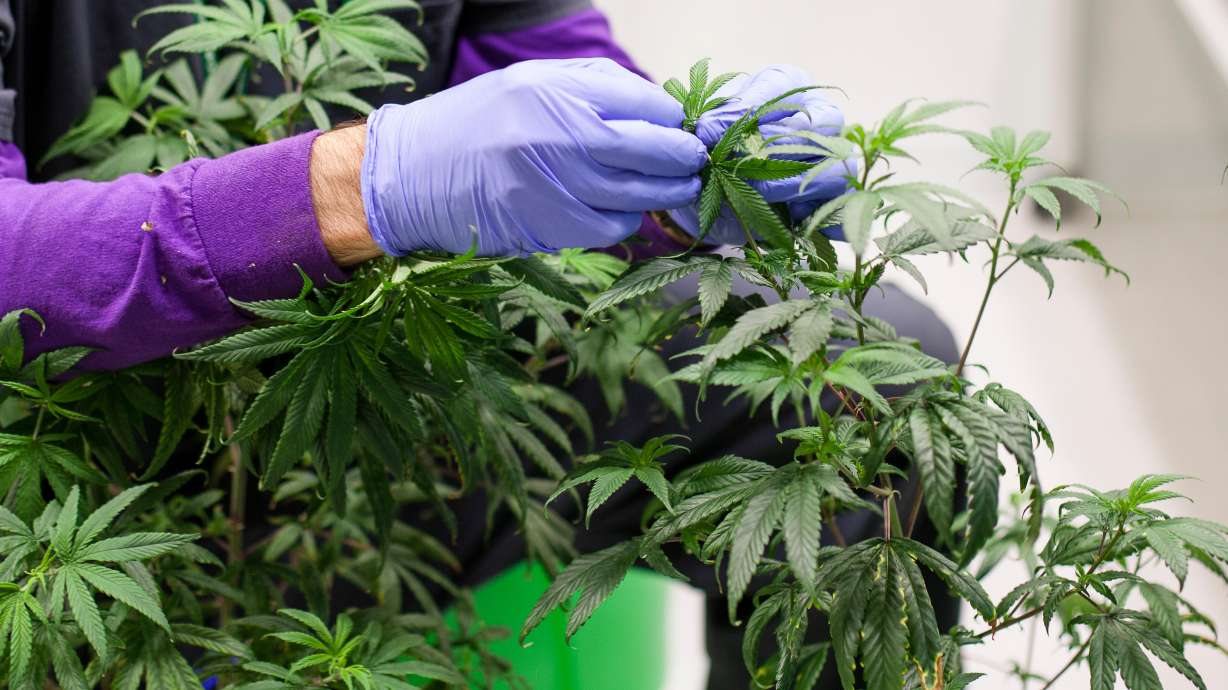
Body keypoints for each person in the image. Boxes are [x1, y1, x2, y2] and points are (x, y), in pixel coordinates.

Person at [0, 2, 959, 688]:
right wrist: (359, 183)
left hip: (401, 386)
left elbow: (554, 54)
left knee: (876, 383)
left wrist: (673, 175)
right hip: (90, 466)